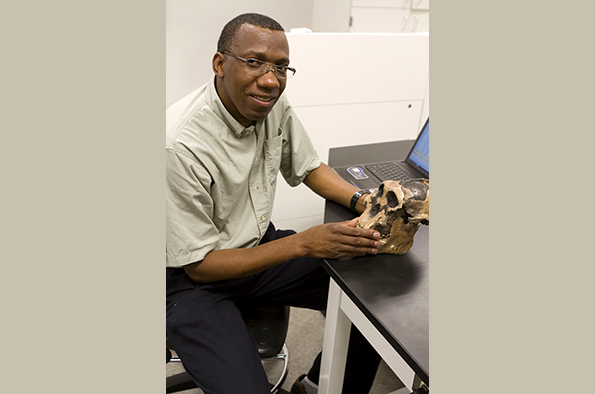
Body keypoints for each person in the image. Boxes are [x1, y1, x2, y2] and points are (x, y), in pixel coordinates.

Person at [166, 13, 382, 394]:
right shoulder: (179, 145)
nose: (270, 80)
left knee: (370, 302)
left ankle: (314, 385)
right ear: (220, 64)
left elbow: (310, 166)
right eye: (254, 62)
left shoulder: (269, 104)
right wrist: (303, 242)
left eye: (281, 67)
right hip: (190, 280)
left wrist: (362, 200)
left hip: (254, 248)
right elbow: (200, 266)